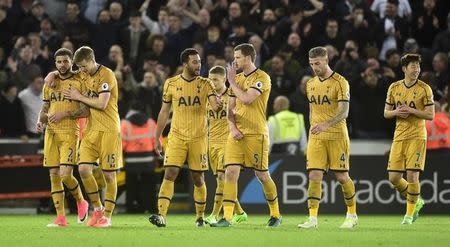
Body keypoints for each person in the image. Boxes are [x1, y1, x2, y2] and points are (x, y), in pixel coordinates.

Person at [148, 48, 221, 227]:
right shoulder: (171, 83)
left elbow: (214, 105)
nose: (199, 65)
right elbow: (164, 111)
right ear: (185, 64)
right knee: (170, 172)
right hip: (177, 136)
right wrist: (157, 136)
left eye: (199, 61)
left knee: (198, 178)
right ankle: (162, 215)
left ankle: (200, 217)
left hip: (199, 137)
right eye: (195, 62)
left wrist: (217, 104)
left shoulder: (206, 84)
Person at [211, 43, 281, 227]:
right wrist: (232, 128)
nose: (235, 61)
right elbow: (230, 108)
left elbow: (247, 99)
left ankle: (275, 214)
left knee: (262, 175)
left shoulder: (262, 78)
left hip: (256, 133)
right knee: (230, 172)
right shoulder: (238, 78)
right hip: (236, 134)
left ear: (249, 58)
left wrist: (232, 82)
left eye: (238, 58)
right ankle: (226, 218)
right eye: (234, 58)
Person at [298, 47, 357, 229]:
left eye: (317, 63)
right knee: (314, 175)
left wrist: (325, 124)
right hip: (316, 138)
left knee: (341, 177)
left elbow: (344, 112)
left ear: (326, 60)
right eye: (311, 64)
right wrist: (313, 128)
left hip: (337, 135)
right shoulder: (310, 84)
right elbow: (311, 110)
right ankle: (312, 218)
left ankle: (352, 214)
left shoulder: (340, 82)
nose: (314, 67)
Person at [63, 46, 122, 228]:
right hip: (91, 130)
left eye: (83, 66)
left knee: (109, 175)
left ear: (91, 59)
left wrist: (79, 96)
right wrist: (51, 75)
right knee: (83, 170)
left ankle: (108, 217)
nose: (81, 70)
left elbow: (102, 104)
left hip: (109, 130)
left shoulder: (107, 75)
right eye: (79, 67)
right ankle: (97, 209)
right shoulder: (83, 74)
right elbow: (65, 73)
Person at [36, 48, 89, 227]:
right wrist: (39, 120)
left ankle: (81, 201)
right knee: (54, 175)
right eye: (58, 62)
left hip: (69, 132)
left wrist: (65, 114)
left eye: (65, 61)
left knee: (66, 175)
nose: (62, 65)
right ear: (55, 63)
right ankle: (61, 218)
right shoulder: (49, 83)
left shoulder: (79, 81)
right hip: (51, 133)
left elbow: (85, 111)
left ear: (71, 62)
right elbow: (45, 108)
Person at [384, 54, 435, 224]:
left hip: (417, 135)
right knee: (393, 178)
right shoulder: (394, 87)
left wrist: (412, 111)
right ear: (404, 69)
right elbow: (386, 113)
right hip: (399, 135)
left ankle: (409, 215)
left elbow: (430, 115)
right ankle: (417, 200)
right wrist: (397, 112)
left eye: (418, 66)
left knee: (413, 176)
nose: (417, 69)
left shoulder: (425, 89)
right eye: (413, 66)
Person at [203, 66, 247, 225]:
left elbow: (242, 115)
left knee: (222, 178)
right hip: (211, 143)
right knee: (221, 182)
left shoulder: (232, 95)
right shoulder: (208, 97)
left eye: (215, 79)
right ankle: (240, 212)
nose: (212, 82)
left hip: (228, 142)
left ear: (224, 80)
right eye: (210, 79)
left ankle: (214, 215)